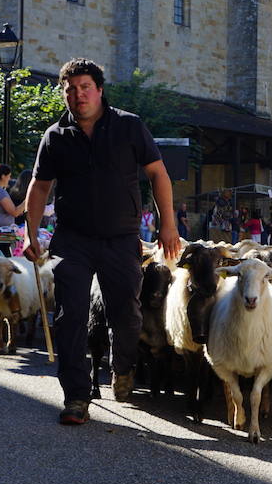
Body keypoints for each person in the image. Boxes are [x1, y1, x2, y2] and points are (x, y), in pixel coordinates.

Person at [25, 58, 181, 425]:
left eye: (84, 88)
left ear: (99, 90)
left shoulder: (129, 126)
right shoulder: (55, 136)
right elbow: (40, 187)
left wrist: (167, 225)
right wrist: (30, 235)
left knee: (126, 313)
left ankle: (123, 367)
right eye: (70, 89)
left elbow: (158, 173)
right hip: (72, 241)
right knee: (71, 317)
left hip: (121, 237)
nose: (77, 95)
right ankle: (76, 397)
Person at [0, 163, 25, 255]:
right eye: (9, 176)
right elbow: (14, 212)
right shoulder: (0, 191)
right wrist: (27, 201)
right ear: (3, 176)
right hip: (2, 235)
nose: (10, 179)